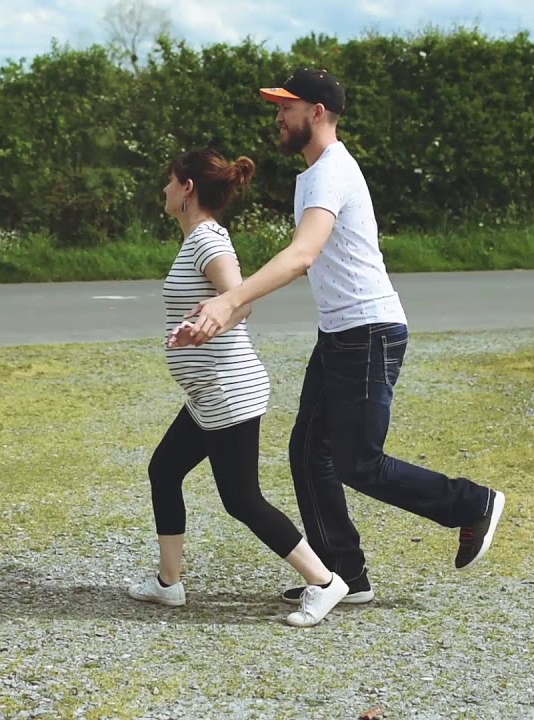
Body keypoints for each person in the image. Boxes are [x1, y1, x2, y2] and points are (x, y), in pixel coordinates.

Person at [174, 69, 506, 605]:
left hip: (369, 330)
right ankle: (343, 575)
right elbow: (309, 261)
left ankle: (471, 504)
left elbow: (303, 255)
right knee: (308, 455)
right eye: (278, 107)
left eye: (287, 107)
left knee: (360, 461)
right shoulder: (312, 176)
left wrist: (229, 299)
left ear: (318, 112)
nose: (278, 117)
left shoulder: (330, 171)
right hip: (341, 334)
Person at [127, 148, 349, 628]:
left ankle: (326, 582)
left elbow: (240, 303)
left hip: (229, 391)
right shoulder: (197, 241)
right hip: (208, 393)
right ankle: (169, 585)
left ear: (187, 188)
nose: (163, 189)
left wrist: (206, 325)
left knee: (241, 499)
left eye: (170, 181)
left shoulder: (208, 241)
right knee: (164, 469)